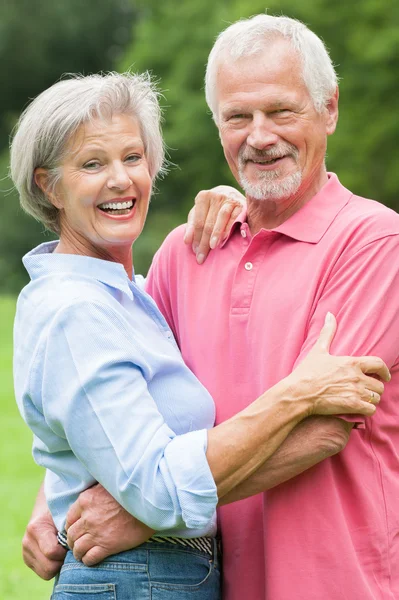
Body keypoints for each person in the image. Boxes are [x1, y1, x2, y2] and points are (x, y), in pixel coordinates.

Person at [26, 15, 399, 600]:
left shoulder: (375, 243)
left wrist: (143, 514)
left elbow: (323, 427)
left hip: (335, 583)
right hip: (211, 584)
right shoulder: (187, 250)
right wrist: (59, 495)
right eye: (237, 117)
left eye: (281, 112)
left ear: (329, 109)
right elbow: (121, 398)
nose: (259, 136)